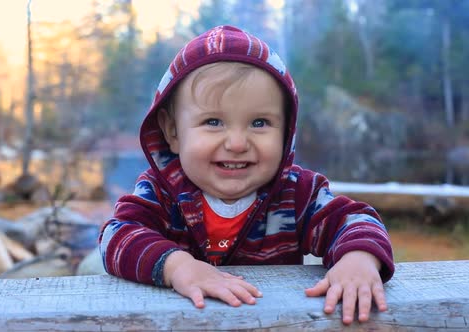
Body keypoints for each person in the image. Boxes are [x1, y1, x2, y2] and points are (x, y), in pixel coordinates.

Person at [99, 25, 394, 325]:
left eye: (259, 123)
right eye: (213, 121)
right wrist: (178, 267)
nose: (237, 143)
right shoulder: (161, 193)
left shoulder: (297, 194)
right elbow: (116, 236)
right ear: (173, 132)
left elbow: (357, 220)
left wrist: (358, 259)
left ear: (286, 131)